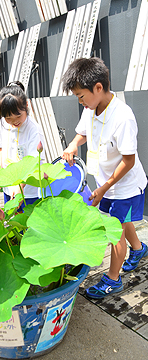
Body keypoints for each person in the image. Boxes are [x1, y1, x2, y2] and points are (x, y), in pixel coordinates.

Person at [62, 57, 148, 299]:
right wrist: (72, 145)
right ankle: (140, 249)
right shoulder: (91, 108)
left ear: (98, 88)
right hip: (104, 184)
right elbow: (82, 134)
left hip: (125, 187)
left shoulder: (123, 117)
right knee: (120, 222)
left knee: (115, 233)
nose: (80, 101)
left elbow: (128, 161)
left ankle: (113, 279)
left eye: (81, 95)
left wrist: (106, 187)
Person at [0, 82, 45, 210]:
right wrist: (0, 173)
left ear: (26, 105)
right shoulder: (3, 124)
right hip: (9, 186)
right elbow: (1, 148)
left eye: (18, 116)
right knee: (13, 224)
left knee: (28, 226)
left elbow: (33, 163)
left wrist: (19, 186)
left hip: (28, 192)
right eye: (8, 118)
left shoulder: (33, 129)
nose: (14, 121)